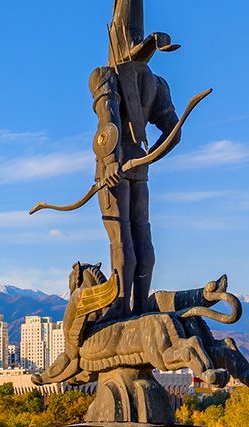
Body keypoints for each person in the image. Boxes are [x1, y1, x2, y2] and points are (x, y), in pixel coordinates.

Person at [90, 0, 182, 317]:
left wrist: (112, 161)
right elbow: (174, 131)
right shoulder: (156, 83)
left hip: (113, 168)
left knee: (123, 242)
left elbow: (108, 122)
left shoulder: (106, 76)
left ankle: (118, 311)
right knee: (142, 235)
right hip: (138, 167)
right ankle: (141, 307)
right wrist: (149, 157)